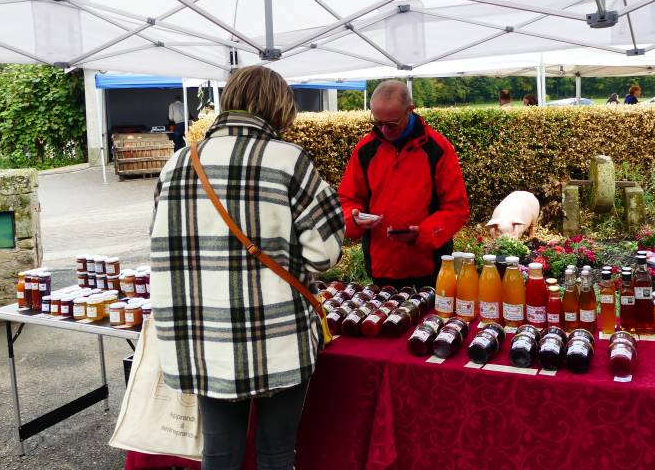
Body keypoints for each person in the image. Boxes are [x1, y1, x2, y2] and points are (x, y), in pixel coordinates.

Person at [150, 66, 344, 470]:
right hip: (276, 334)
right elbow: (323, 254)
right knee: (275, 454)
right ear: (280, 106)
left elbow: (163, 246)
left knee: (219, 454)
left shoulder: (178, 164)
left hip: (203, 336)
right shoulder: (288, 161)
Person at [338, 80, 470, 289]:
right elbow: (347, 198)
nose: (383, 130)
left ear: (410, 110)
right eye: (377, 122)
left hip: (430, 266)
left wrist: (422, 234)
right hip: (381, 266)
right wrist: (353, 217)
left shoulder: (438, 149)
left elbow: (457, 208)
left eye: (391, 124)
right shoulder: (365, 150)